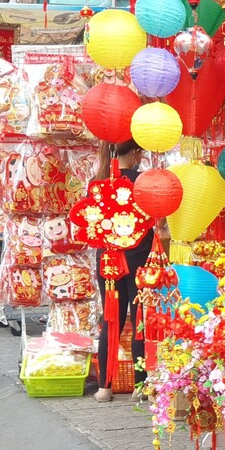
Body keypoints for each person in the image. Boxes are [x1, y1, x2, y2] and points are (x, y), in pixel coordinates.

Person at [93, 139, 151, 403]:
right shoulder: (142, 183)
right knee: (140, 322)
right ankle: (142, 387)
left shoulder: (98, 183)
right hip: (139, 259)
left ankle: (104, 388)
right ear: (137, 152)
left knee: (110, 321)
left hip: (108, 259)